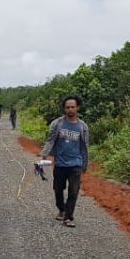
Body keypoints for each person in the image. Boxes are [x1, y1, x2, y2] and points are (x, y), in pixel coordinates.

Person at [38, 95, 89, 228]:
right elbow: (50, 140)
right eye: (67, 107)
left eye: (73, 107)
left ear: (77, 108)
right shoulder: (57, 124)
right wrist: (44, 155)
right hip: (60, 163)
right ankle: (61, 209)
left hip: (76, 164)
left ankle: (68, 217)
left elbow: (85, 146)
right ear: (64, 109)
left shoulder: (82, 126)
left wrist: (84, 163)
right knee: (58, 189)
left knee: (74, 191)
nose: (70, 109)